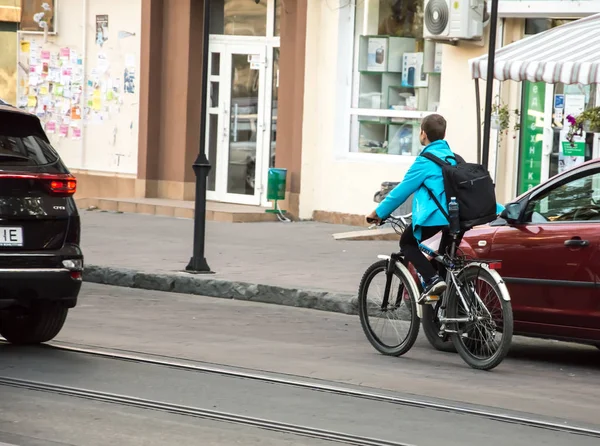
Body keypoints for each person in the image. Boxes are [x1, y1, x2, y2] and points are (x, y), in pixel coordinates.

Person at [366, 114, 502, 301]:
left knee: (407, 243)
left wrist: (377, 213)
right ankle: (447, 318)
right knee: (443, 263)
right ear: (443, 134)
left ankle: (430, 281)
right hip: (459, 220)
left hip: (436, 220)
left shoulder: (425, 162)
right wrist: (500, 209)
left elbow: (401, 191)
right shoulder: (454, 159)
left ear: (423, 133)